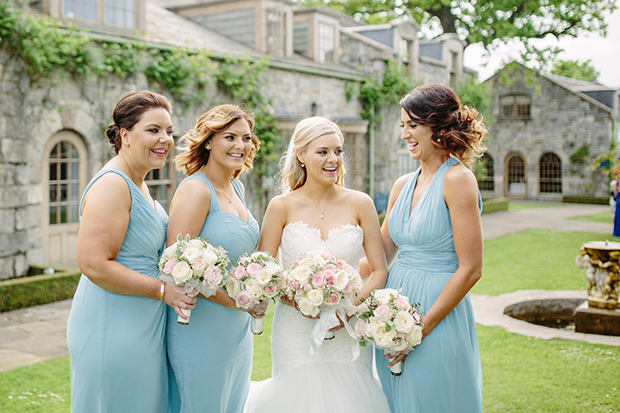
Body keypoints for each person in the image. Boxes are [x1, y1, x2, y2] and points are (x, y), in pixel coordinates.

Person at [244, 116, 391, 413]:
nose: (333, 159)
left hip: (348, 330)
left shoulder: (360, 203)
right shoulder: (281, 206)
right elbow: (265, 273)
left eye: (337, 151)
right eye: (322, 152)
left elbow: (379, 270)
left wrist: (348, 307)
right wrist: (300, 302)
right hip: (296, 331)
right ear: (301, 154)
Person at [66, 90, 197, 413]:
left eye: (168, 131)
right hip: (112, 326)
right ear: (124, 135)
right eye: (153, 130)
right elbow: (93, 264)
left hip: (141, 323)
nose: (165, 139)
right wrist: (163, 289)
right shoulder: (113, 184)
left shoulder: (138, 181)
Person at [369, 84, 486, 413]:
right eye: (402, 126)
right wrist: (331, 276)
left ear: (438, 126)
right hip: (392, 313)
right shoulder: (401, 185)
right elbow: (380, 254)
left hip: (437, 315)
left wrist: (420, 327)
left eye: (413, 125)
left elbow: (471, 268)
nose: (404, 134)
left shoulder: (458, 180)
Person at [166, 104, 266, 413]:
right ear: (208, 140)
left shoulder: (236, 186)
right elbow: (175, 268)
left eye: (246, 138)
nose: (240, 145)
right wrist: (237, 302)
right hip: (200, 327)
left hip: (235, 329)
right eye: (230, 137)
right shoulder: (197, 190)